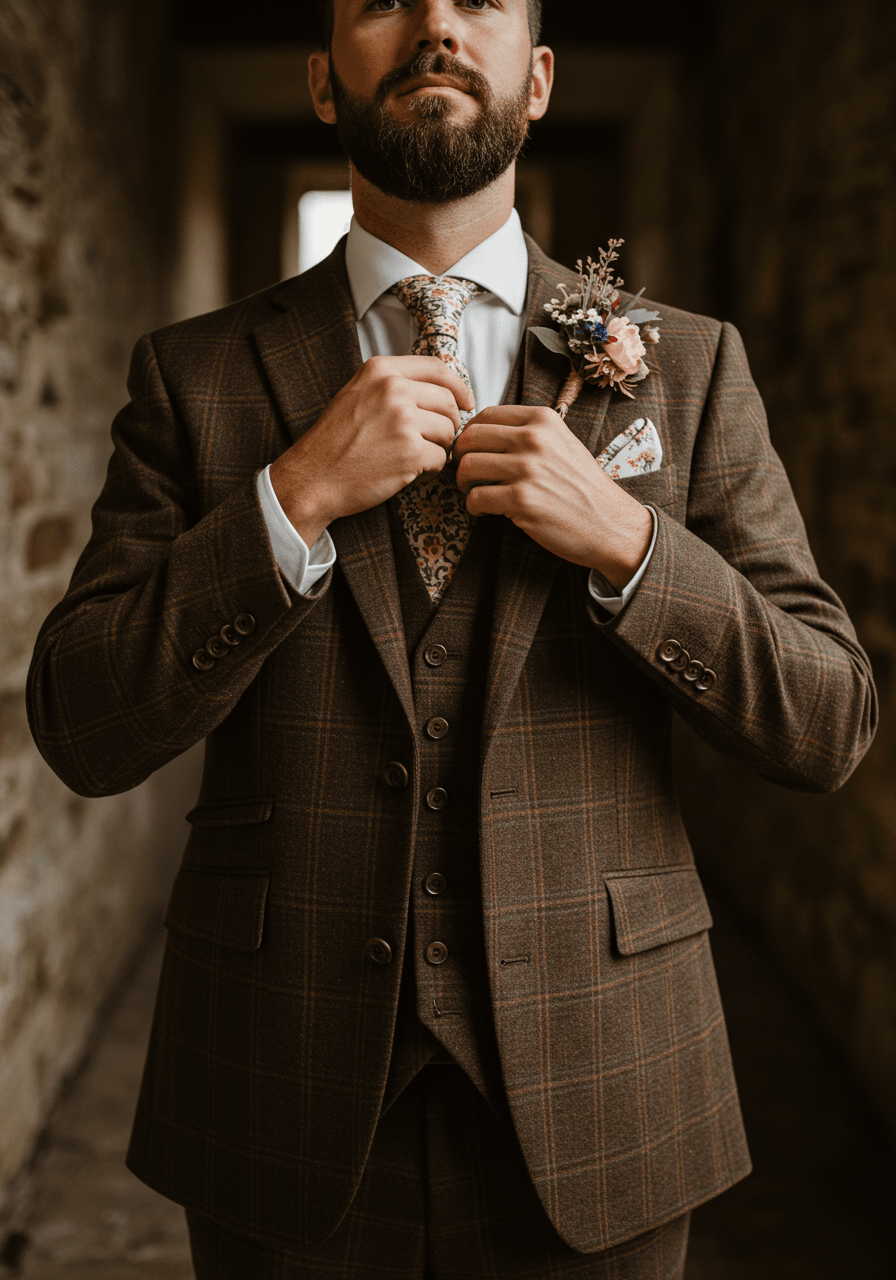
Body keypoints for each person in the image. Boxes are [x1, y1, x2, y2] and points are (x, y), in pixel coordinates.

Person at [27, 1, 876, 1277]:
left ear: (535, 81)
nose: (431, 22)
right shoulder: (191, 375)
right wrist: (291, 495)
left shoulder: (687, 369)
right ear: (322, 80)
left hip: (609, 1078)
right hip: (278, 1079)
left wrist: (629, 547)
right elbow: (82, 726)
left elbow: (827, 722)